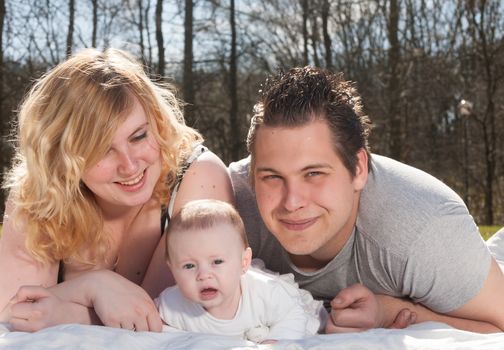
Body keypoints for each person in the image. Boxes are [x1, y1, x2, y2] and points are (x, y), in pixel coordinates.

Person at [228, 66, 504, 333]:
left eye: (313, 173)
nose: (292, 202)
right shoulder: (229, 206)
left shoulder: (426, 228)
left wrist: (388, 311)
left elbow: (499, 324)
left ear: (358, 169)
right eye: (272, 177)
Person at [0, 48, 233, 332]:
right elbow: (14, 315)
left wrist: (69, 313)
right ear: (63, 159)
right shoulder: (40, 192)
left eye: (139, 136)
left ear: (157, 121)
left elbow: (169, 322)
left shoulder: (199, 176)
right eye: (102, 151)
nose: (129, 165)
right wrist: (94, 286)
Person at [155, 199, 323, 343]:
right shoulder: (171, 305)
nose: (204, 275)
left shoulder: (266, 293)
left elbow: (293, 314)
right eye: (189, 266)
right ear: (172, 268)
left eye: (217, 261)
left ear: (244, 262)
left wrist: (277, 342)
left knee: (309, 328)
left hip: (291, 306)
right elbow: (157, 330)